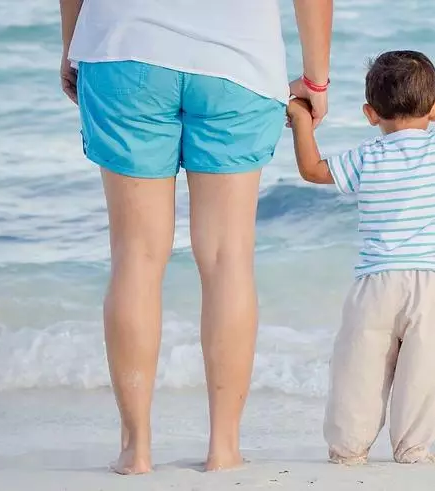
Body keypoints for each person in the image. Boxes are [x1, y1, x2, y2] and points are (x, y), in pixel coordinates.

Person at [58, 0, 332, 474]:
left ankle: (136, 449)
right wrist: (316, 78)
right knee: (228, 258)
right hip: (238, 63)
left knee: (136, 257)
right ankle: (223, 448)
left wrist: (72, 46)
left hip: (124, 48)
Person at [286, 51, 435, 464]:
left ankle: (348, 448)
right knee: (425, 368)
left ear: (369, 113)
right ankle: (413, 448)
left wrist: (301, 118)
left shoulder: (365, 157)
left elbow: (312, 169)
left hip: (376, 281)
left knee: (358, 366)